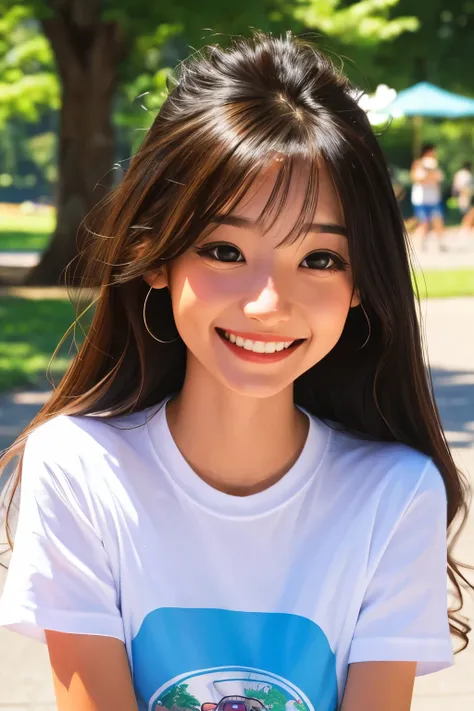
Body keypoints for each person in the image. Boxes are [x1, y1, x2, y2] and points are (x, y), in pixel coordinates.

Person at [0, 31, 472, 711]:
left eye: (319, 258)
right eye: (224, 249)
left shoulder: (395, 496)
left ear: (363, 280)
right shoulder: (79, 469)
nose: (267, 303)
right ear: (156, 256)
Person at [410, 143, 445, 249]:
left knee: (438, 221)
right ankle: (421, 244)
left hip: (434, 199)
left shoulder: (434, 164)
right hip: (421, 199)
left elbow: (438, 178)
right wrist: (427, 173)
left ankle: (440, 243)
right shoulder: (418, 164)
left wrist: (431, 173)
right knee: (424, 223)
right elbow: (418, 179)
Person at [452, 161, 474, 241]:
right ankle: (464, 229)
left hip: (464, 196)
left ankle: (466, 229)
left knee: (468, 213)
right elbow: (460, 186)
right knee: (467, 213)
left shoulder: (460, 174)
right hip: (464, 196)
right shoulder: (465, 175)